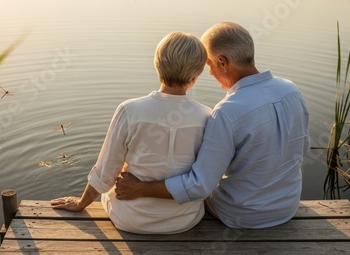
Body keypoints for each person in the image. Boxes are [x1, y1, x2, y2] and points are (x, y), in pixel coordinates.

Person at [115, 21, 310, 229]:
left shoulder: (228, 111)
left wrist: (140, 188)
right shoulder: (291, 91)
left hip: (240, 214)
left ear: (223, 62)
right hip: (287, 207)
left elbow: (199, 186)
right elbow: (302, 149)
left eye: (209, 65)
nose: (209, 73)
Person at [50, 31, 212, 234]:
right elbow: (206, 178)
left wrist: (81, 203)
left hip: (131, 220)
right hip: (184, 221)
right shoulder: (207, 116)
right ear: (197, 74)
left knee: (120, 172)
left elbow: (106, 172)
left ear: (157, 64)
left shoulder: (130, 110)